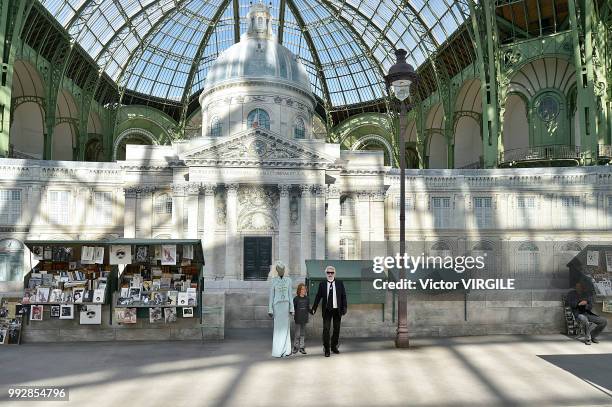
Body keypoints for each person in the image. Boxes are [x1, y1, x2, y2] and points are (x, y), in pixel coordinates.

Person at [310, 265, 347, 357]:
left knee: (336, 329)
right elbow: (318, 296)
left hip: (337, 310)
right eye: (328, 272)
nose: (330, 274)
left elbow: (343, 296)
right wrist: (314, 308)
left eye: (332, 272)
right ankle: (327, 349)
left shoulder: (339, 283)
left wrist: (344, 308)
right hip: (327, 310)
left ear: (334, 273)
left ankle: (334, 346)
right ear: (326, 273)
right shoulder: (322, 284)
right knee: (326, 329)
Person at [567, 281, 607, 345]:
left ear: (583, 287)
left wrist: (586, 305)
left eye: (580, 286)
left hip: (587, 313)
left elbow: (590, 305)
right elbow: (570, 304)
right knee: (584, 319)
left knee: (603, 321)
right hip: (578, 314)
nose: (579, 288)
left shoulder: (587, 294)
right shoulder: (571, 294)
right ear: (575, 287)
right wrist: (579, 303)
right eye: (577, 286)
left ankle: (593, 336)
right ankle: (588, 338)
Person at [268, 261, 294, 357]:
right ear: (277, 271)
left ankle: (286, 350)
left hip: (286, 305)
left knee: (286, 328)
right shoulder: (273, 281)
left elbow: (290, 295)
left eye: (282, 270)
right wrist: (270, 309)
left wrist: (292, 308)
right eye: (279, 270)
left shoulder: (289, 280)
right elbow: (271, 296)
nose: (281, 271)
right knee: (278, 329)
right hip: (277, 306)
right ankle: (278, 350)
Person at [292, 283, 310, 354]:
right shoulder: (296, 299)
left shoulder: (307, 298)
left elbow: (308, 308)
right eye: (302, 289)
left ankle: (302, 347)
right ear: (299, 290)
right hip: (298, 318)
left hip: (304, 318)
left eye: (305, 289)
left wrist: (312, 311)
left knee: (302, 333)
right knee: (297, 334)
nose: (304, 290)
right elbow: (293, 308)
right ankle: (295, 347)